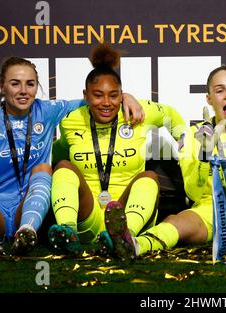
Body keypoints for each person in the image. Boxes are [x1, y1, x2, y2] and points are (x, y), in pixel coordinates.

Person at [95, 65, 226, 259]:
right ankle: (133, 245)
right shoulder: (195, 135)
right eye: (220, 90)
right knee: (176, 222)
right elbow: (193, 192)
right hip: (211, 210)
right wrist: (205, 154)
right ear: (209, 99)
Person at [0, 55, 143, 259]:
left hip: (31, 206)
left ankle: (27, 232)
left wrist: (126, 96)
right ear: (2, 86)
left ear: (37, 86)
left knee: (43, 168)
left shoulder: (48, 111)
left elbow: (95, 100)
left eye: (30, 84)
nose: (24, 91)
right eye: (15, 83)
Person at [48, 43, 187, 259]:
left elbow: (171, 114)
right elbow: (57, 155)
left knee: (149, 176)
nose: (106, 103)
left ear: (122, 95)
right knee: (64, 167)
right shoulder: (70, 122)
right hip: (89, 216)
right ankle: (68, 232)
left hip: (126, 212)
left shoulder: (137, 112)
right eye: (98, 95)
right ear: (86, 95)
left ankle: (126, 237)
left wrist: (184, 142)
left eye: (113, 95)